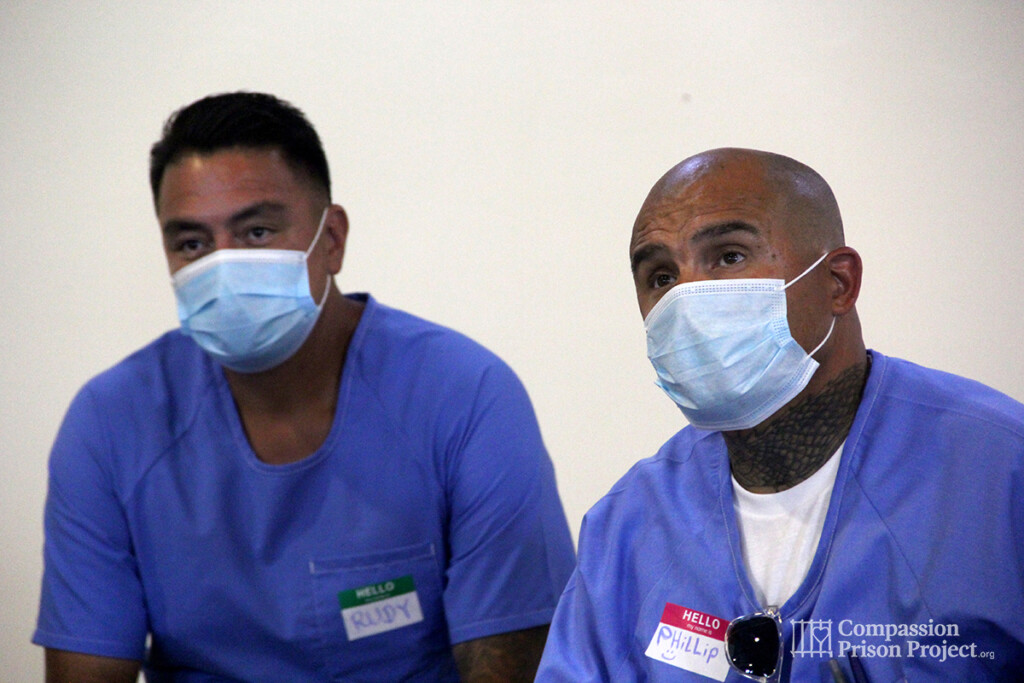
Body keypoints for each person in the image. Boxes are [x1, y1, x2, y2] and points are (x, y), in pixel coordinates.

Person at [33, 92, 576, 682]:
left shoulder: (465, 398)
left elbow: (515, 667)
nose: (223, 267)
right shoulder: (111, 424)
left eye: (257, 232)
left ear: (332, 239)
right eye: (192, 244)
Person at [536, 148, 1024, 681]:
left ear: (838, 283)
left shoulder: (998, 479)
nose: (687, 300)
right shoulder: (629, 526)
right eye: (660, 277)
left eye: (729, 257)